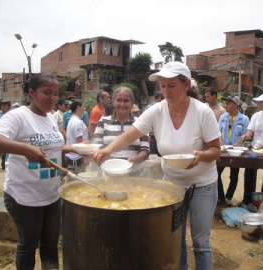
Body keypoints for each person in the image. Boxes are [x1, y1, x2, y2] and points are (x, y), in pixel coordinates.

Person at [92, 62, 221, 270]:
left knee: (200, 243)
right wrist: (108, 150)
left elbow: (216, 150)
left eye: (172, 86)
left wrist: (201, 155)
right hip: (172, 184)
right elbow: (130, 134)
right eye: (162, 86)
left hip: (202, 185)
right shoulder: (156, 111)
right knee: (175, 239)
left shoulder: (202, 112)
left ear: (186, 84)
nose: (166, 91)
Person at [0, 73, 77, 270]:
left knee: (50, 244)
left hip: (51, 195)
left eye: (55, 94)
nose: (53, 98)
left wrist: (71, 148)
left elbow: (47, 147)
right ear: (31, 92)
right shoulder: (19, 115)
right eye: (47, 92)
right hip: (24, 196)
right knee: (28, 244)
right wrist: (25, 149)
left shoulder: (48, 117)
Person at [93, 86, 149, 176]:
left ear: (132, 102)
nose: (122, 104)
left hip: (135, 175)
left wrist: (135, 160)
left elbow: (145, 150)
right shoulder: (103, 121)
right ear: (113, 102)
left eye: (126, 101)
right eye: (119, 100)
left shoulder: (140, 123)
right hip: (108, 174)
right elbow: (97, 145)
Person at [217, 95, 249, 206]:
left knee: (234, 174)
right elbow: (218, 131)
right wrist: (220, 140)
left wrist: (240, 142)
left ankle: (228, 197)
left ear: (235, 104)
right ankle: (220, 197)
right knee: (217, 172)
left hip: (237, 152)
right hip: (224, 150)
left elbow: (246, 135)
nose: (226, 106)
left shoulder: (244, 119)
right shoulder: (223, 117)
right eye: (225, 104)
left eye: (228, 103)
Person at [235, 93, 263, 211]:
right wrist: (244, 137)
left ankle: (260, 202)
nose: (260, 104)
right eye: (260, 102)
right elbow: (250, 130)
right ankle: (247, 199)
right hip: (254, 149)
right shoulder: (256, 115)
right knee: (249, 173)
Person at [65, 99, 89, 182]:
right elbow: (80, 143)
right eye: (83, 106)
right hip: (76, 157)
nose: (85, 108)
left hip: (72, 156)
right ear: (78, 107)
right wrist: (85, 156)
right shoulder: (77, 123)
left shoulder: (73, 120)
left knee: (70, 178)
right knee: (79, 181)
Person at [0, 101, 11, 169]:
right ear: (0, 107)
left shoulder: (10, 114)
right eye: (3, 106)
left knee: (6, 150)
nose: (5, 107)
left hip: (8, 134)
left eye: (6, 106)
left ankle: (3, 164)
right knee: (0, 149)